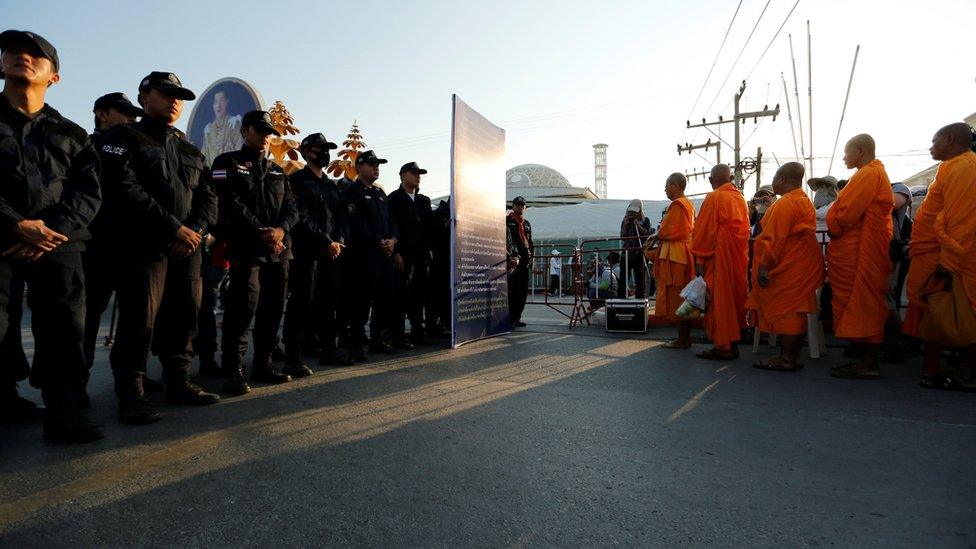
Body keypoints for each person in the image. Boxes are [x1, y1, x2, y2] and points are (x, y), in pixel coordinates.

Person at [100, 71, 220, 425]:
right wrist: (173, 228)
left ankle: (179, 381)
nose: (174, 101)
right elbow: (123, 187)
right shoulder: (123, 137)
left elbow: (208, 198)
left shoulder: (189, 148)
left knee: (185, 315)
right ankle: (131, 394)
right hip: (144, 246)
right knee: (140, 319)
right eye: (165, 93)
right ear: (143, 97)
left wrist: (194, 231)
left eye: (179, 96)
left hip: (188, 249)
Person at [0, 30, 103, 442]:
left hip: (58, 244)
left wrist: (50, 231)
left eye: (35, 54)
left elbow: (88, 191)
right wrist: (13, 223)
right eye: (13, 51)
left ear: (54, 77)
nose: (21, 57)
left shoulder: (72, 132)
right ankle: (4, 398)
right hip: (2, 238)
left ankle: (66, 412)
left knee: (64, 325)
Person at [214, 111, 302, 396]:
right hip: (246, 248)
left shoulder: (277, 170)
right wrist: (262, 232)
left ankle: (263, 364)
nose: (265, 137)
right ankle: (233, 371)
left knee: (273, 309)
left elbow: (291, 208)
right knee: (242, 310)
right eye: (260, 130)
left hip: (279, 250)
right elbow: (229, 203)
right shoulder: (225, 163)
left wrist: (280, 230)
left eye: (269, 132)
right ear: (245, 131)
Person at [906, 123, 976, 390]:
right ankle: (934, 370)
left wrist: (947, 264)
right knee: (936, 314)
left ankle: (968, 375)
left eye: (934, 142)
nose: (931, 147)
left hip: (952, 259)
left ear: (949, 139)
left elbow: (961, 223)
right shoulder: (951, 167)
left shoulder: (965, 167)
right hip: (934, 253)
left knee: (961, 315)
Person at [83, 93, 144, 378]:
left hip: (133, 245)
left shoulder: (139, 149)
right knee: (86, 316)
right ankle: (77, 382)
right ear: (102, 114)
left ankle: (133, 377)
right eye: (124, 112)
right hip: (96, 246)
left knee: (136, 316)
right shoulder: (85, 146)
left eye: (134, 114)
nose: (131, 119)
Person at [825, 134, 894, 379]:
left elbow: (844, 215)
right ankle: (864, 358)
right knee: (862, 301)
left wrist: (833, 222)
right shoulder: (870, 173)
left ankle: (867, 362)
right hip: (857, 249)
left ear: (861, 151)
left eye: (847, 152)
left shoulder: (868, 174)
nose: (844, 157)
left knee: (864, 302)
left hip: (860, 252)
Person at [283, 132, 355, 368]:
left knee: (329, 304)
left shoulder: (331, 186)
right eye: (319, 149)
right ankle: (294, 356)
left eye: (327, 149)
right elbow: (300, 216)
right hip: (306, 252)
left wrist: (339, 239)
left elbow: (341, 215)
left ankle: (328, 350)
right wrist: (325, 241)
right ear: (306, 152)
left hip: (332, 253)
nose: (324, 153)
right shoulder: (297, 181)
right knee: (301, 303)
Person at [748, 163, 826, 371]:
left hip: (787, 267)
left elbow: (775, 239)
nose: (773, 183)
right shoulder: (803, 201)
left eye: (774, 178)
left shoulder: (787, 203)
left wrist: (765, 266)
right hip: (800, 265)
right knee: (797, 309)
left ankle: (786, 358)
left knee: (787, 312)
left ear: (781, 178)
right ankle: (792, 355)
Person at [341, 150, 398, 360]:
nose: (376, 168)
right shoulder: (351, 192)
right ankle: (355, 344)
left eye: (378, 165)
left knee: (385, 299)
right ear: (359, 167)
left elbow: (392, 222)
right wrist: (378, 241)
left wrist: (393, 240)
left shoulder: (380, 193)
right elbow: (355, 224)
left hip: (385, 256)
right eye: (372, 164)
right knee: (360, 302)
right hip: (363, 257)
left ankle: (378, 340)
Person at [690, 164, 750, 360]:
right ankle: (731, 342)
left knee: (719, 300)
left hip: (718, 257)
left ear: (711, 180)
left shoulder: (714, 197)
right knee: (732, 299)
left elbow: (704, 232)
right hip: (737, 258)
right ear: (731, 178)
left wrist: (699, 258)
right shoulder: (740, 198)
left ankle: (723, 346)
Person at [389, 162, 434, 347]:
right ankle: (397, 336)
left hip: (421, 255)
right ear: (402, 175)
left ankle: (418, 332)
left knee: (419, 295)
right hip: (403, 256)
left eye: (419, 174)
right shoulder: (393, 199)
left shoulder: (424, 201)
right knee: (400, 296)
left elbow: (429, 228)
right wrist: (396, 253)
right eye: (414, 173)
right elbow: (392, 226)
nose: (418, 176)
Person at [652, 173, 696, 348]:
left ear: (676, 185)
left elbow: (666, 231)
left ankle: (683, 338)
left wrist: (656, 234)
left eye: (667, 185)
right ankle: (683, 337)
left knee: (679, 296)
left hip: (676, 256)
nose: (665, 189)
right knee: (682, 295)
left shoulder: (678, 205)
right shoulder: (689, 204)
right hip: (681, 254)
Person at [882, 182, 913, 364]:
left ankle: (893, 344)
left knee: (888, 300)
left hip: (893, 260)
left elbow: (893, 202)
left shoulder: (899, 189)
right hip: (880, 258)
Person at [506, 196, 533, 328]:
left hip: (525, 262)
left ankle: (517, 318)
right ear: (513, 206)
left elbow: (530, 242)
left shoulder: (527, 223)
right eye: (518, 204)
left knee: (522, 292)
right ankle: (509, 319)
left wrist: (532, 258)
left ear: (525, 207)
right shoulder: (507, 221)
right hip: (513, 262)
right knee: (512, 291)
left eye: (522, 205)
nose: (520, 207)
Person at [618, 199, 651, 299]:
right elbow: (623, 236)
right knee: (623, 277)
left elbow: (646, 234)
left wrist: (637, 224)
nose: (632, 214)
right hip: (626, 253)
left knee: (640, 278)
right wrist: (626, 224)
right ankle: (621, 298)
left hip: (640, 252)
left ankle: (640, 299)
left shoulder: (645, 220)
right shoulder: (625, 220)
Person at [201, 88, 243, 163]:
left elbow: (239, 149)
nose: (218, 105)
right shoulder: (208, 129)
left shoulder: (233, 123)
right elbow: (204, 156)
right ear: (213, 105)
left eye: (221, 100)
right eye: (216, 102)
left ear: (226, 102)